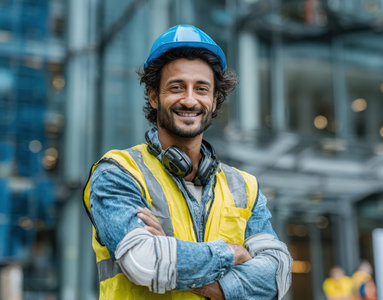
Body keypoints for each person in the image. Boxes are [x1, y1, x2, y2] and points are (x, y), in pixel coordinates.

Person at [82, 24, 292, 300]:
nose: (190, 100)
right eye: (177, 87)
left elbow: (277, 277)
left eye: (202, 89)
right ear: (154, 96)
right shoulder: (118, 172)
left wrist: (171, 255)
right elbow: (145, 263)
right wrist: (233, 253)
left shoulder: (245, 186)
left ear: (215, 101)